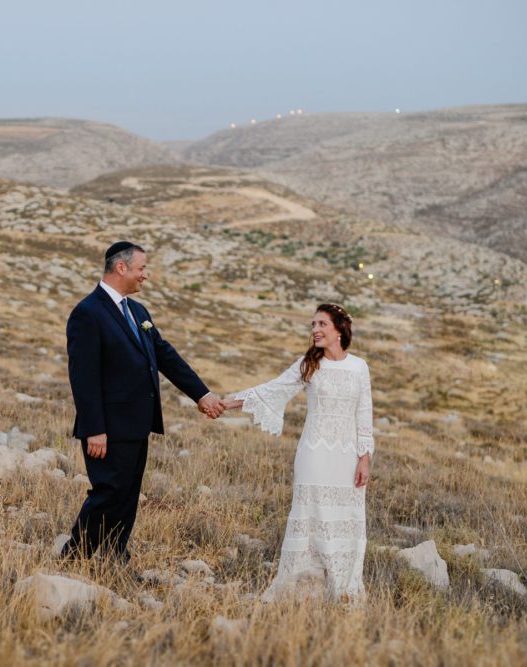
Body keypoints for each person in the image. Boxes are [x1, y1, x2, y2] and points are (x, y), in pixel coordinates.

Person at [61, 241, 226, 563]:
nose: (145, 276)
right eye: (142, 269)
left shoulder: (137, 311)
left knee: (127, 495)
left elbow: (165, 355)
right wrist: (95, 428)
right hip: (106, 427)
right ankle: (73, 557)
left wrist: (202, 394)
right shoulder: (88, 313)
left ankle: (114, 556)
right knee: (107, 492)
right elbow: (83, 377)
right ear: (121, 268)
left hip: (137, 423)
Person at [223, 303, 374, 603]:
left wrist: (365, 457)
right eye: (313, 325)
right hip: (314, 455)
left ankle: (342, 586)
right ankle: (301, 587)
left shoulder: (359, 367)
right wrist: (226, 403)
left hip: (347, 458)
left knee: (345, 516)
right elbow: (273, 389)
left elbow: (364, 414)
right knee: (310, 514)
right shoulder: (309, 364)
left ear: (339, 330)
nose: (315, 330)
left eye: (322, 324)